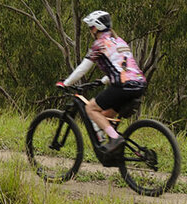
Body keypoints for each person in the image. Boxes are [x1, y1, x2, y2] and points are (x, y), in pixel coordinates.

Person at [58, 9, 146, 156]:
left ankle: (115, 138)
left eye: (90, 28)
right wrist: (103, 80)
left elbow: (82, 69)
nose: (90, 31)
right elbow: (123, 67)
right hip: (139, 84)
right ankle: (112, 152)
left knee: (91, 109)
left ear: (95, 28)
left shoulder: (99, 44)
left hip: (123, 86)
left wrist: (66, 82)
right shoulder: (119, 41)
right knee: (104, 115)